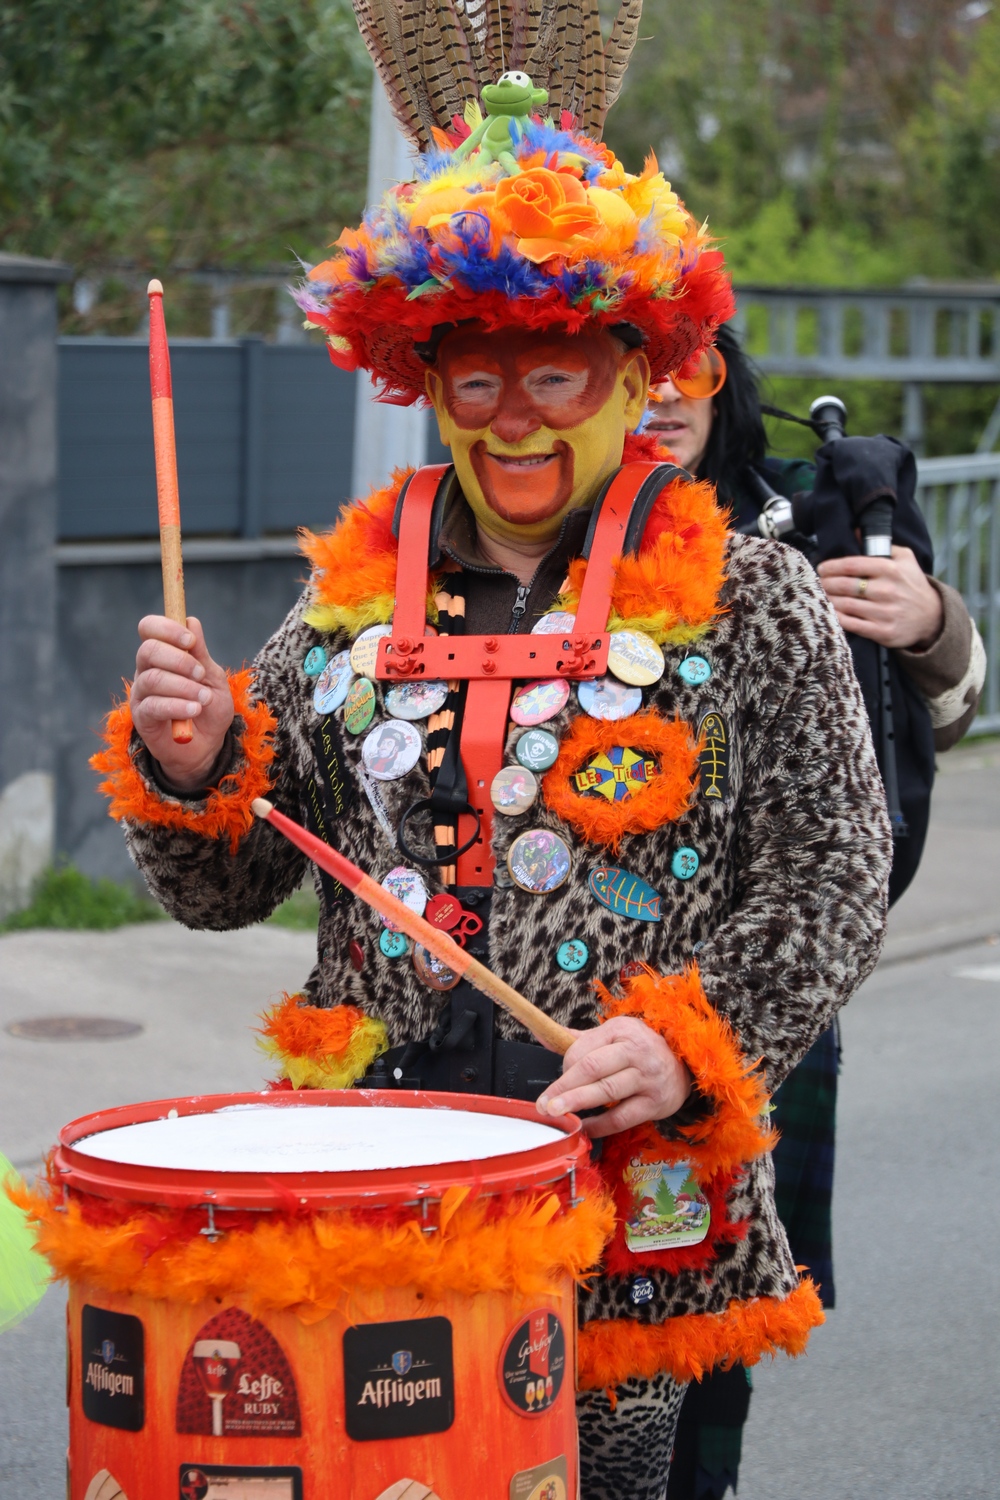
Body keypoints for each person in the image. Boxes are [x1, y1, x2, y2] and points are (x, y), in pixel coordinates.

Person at [90, 35, 893, 1500]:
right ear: (430, 385)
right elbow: (230, 883)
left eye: (554, 373)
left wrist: (692, 1040)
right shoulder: (349, 597)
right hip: (377, 1185)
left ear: (630, 377)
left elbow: (830, 875)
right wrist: (195, 768)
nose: (514, 416)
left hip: (623, 1199)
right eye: (477, 380)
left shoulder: (749, 593)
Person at [644, 323, 986, 1500]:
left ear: (723, 377)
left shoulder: (812, 507)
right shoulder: (531, 522)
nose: (657, 396)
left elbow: (937, 723)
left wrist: (929, 625)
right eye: (627, 369)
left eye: (685, 365)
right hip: (556, 1000)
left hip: (757, 991)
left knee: (701, 1335)